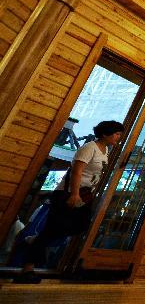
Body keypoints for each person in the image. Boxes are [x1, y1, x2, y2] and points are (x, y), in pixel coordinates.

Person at [13, 120, 125, 284]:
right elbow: (77, 172)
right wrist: (74, 194)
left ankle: (35, 241)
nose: (119, 138)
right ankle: (27, 269)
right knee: (52, 229)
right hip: (68, 193)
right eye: (117, 134)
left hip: (85, 194)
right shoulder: (89, 147)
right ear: (105, 134)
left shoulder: (105, 150)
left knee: (81, 225)